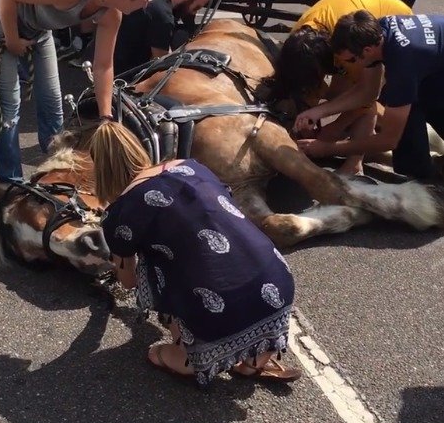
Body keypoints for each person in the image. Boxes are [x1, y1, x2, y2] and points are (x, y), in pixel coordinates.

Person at [91, 122, 302, 388]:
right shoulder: (190, 165)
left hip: (221, 304)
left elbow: (129, 282)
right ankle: (255, 359)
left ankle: (191, 354)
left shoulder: (119, 212)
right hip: (277, 283)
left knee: (153, 276)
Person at [0, 0, 157, 183]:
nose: (148, 4)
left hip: (36, 26)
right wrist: (12, 40)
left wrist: (106, 116)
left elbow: (103, 66)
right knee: (9, 104)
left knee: (52, 100)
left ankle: (55, 173)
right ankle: (11, 182)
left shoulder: (111, 13)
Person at [296, 11, 444, 180]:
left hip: (431, 72)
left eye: (350, 61)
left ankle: (424, 188)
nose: (344, 67)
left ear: (367, 50)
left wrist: (327, 148)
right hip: (435, 72)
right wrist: (319, 112)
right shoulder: (378, 31)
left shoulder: (403, 66)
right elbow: (367, 92)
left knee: (403, 121)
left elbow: (388, 140)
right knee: (404, 108)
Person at [281, 0, 412, 175]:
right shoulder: (298, 43)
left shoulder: (349, 48)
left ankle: (354, 163)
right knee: (338, 96)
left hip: (390, 25)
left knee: (360, 100)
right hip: (351, 23)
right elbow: (308, 88)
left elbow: (367, 95)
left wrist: (335, 129)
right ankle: (370, 135)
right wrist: (310, 117)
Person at [113, 0, 212, 75]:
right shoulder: (163, 16)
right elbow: (160, 63)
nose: (194, 13)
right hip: (122, 74)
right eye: (196, 7)